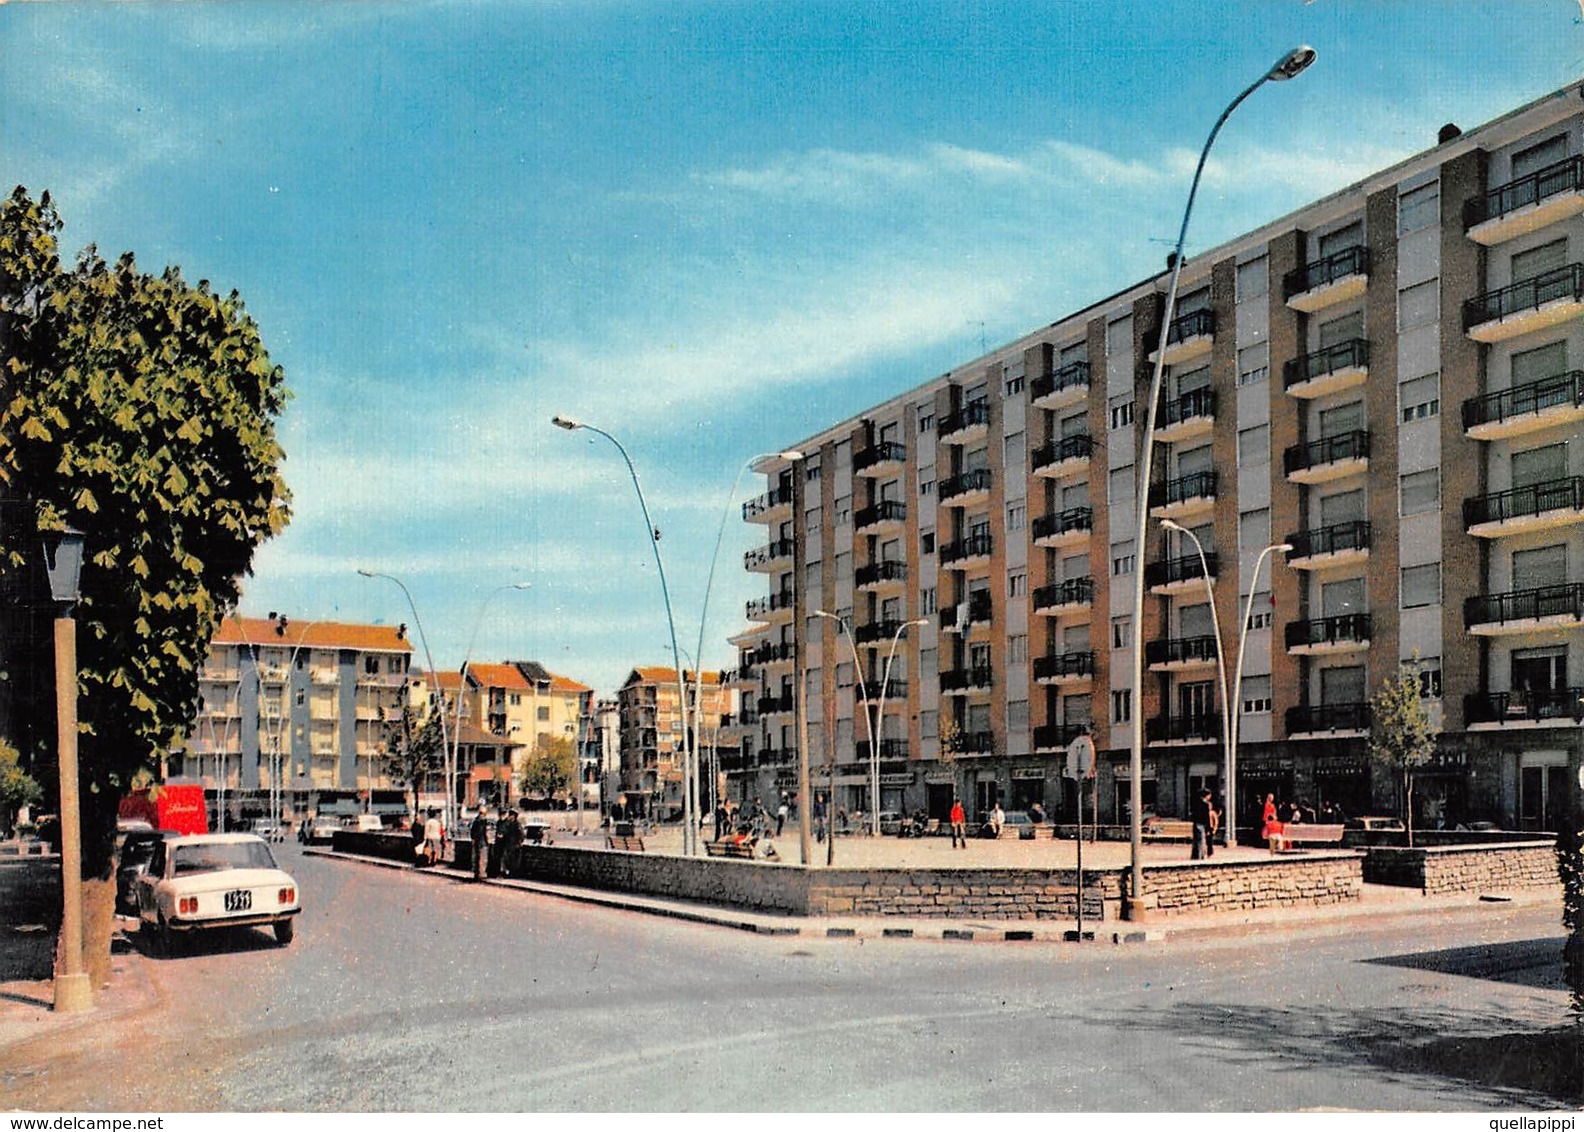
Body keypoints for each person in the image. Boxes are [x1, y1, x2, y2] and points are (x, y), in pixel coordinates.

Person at [498, 807, 524, 878]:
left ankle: (512, 874)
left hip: (514, 845)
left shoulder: (517, 824)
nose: (509, 816)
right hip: (508, 844)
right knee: (507, 859)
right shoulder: (508, 824)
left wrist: (519, 843)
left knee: (513, 861)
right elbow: (505, 831)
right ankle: (506, 873)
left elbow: (521, 835)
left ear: (514, 816)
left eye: (511, 815)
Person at [1191, 787, 1214, 860]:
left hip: (1196, 823)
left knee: (1196, 841)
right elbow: (1206, 817)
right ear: (1207, 795)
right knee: (1201, 841)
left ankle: (1195, 856)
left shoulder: (1196, 803)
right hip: (1202, 824)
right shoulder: (1206, 804)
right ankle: (1199, 857)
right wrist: (1208, 828)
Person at [469, 807, 491, 880]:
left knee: (477, 858)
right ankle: (481, 874)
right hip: (482, 842)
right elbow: (486, 833)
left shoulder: (476, 821)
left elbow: (472, 832)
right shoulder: (482, 822)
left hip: (478, 842)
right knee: (482, 859)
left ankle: (477, 873)